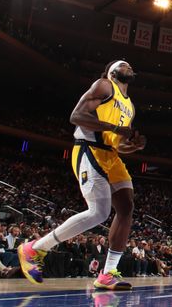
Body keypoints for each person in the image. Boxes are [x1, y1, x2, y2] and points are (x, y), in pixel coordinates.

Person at [18, 60, 146, 290]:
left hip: (111, 156)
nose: (128, 66)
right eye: (124, 65)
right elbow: (76, 116)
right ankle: (36, 248)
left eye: (130, 65)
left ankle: (107, 274)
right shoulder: (105, 86)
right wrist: (115, 128)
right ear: (113, 72)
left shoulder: (130, 106)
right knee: (99, 212)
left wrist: (133, 146)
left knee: (126, 207)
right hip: (89, 149)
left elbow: (117, 144)